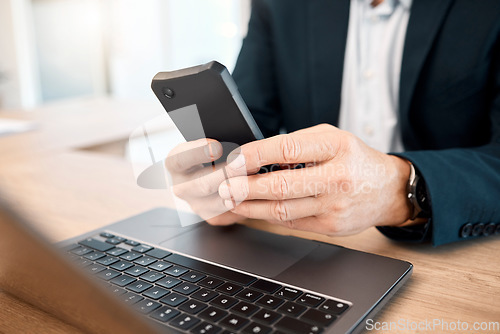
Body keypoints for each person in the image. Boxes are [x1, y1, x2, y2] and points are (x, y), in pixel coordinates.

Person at [167, 0, 500, 246]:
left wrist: (402, 189)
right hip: (304, 245)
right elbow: (250, 120)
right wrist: (219, 177)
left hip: (453, 251)